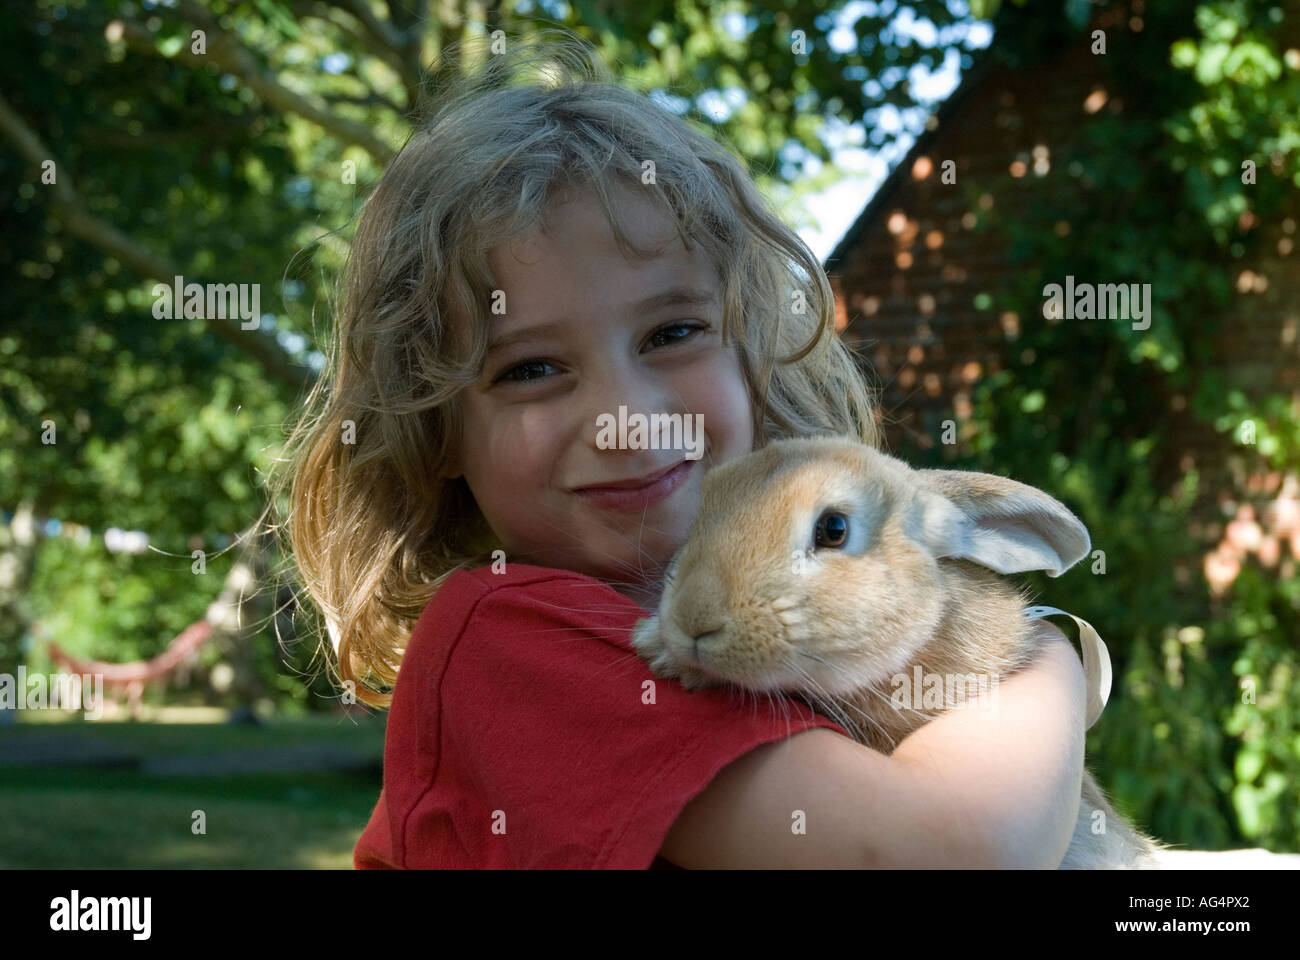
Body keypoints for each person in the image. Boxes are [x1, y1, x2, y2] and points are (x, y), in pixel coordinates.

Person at [272, 30, 1087, 869]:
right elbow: (946, 853)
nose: (628, 416)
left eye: (673, 332)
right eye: (532, 369)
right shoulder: (511, 638)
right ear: (434, 425)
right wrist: (1046, 658)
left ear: (752, 353)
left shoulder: (749, 643)